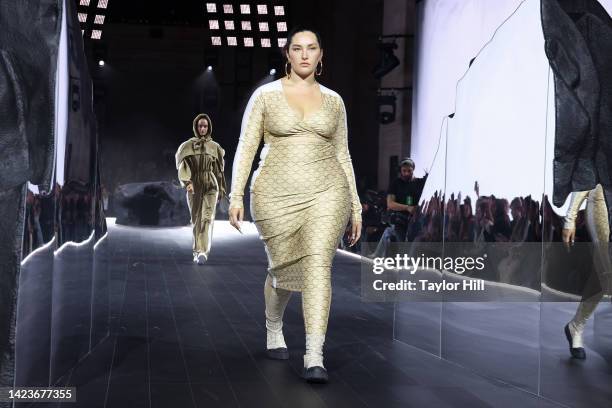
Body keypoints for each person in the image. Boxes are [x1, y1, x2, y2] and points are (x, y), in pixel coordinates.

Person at [228, 27, 362, 384]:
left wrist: (356, 204)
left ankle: (314, 355)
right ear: (287, 54)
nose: (304, 54)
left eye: (312, 48)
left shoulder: (334, 101)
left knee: (318, 264)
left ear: (321, 55)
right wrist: (235, 195)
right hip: (274, 193)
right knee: (283, 271)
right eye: (297, 48)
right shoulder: (265, 96)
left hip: (327, 191)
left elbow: (343, 154)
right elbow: (246, 146)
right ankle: (274, 326)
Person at [562, 184, 611, 359]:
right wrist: (570, 218)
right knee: (607, 271)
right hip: (602, 201)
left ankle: (576, 326)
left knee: (601, 274)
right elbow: (586, 170)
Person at [175, 113, 226, 264]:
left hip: (211, 184)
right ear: (196, 127)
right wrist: (187, 182)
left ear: (209, 127)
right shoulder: (187, 145)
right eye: (200, 126)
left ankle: (203, 251)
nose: (202, 128)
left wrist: (221, 188)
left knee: (207, 218)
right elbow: (182, 166)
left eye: (205, 126)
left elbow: (218, 171)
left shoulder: (215, 147)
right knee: (196, 218)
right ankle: (196, 250)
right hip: (194, 185)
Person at [369, 158, 427, 257]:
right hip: (399, 218)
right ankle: (380, 255)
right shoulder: (396, 183)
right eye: (404, 171)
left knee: (391, 233)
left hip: (415, 220)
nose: (406, 173)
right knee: (398, 237)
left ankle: (378, 254)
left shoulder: (419, 182)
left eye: (409, 170)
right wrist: (407, 207)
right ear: (400, 171)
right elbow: (390, 204)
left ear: (413, 170)